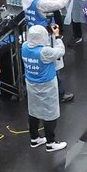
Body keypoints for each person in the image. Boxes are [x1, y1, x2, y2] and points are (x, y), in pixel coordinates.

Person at [21, 23, 68, 152]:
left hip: (31, 84)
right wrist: (57, 36)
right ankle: (51, 142)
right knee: (50, 113)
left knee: (34, 111)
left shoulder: (24, 47)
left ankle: (35, 138)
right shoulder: (44, 52)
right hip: (47, 86)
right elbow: (60, 51)